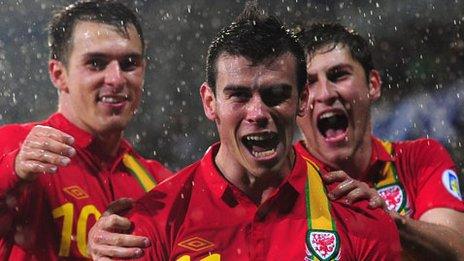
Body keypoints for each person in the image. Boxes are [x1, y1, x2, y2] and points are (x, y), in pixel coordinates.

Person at [92, 6, 401, 260]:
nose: (258, 114)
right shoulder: (152, 222)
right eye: (239, 95)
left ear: (302, 100)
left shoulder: (360, 219)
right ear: (209, 102)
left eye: (276, 94)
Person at [0, 1, 172, 259]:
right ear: (59, 74)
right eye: (96, 63)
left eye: (128, 63)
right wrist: (12, 170)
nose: (116, 79)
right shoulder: (14, 147)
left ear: (143, 71)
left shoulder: (159, 183)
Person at [295, 22, 464, 259]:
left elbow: (456, 250)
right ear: (296, 102)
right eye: (309, 83)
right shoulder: (278, 182)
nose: (325, 93)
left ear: (372, 85)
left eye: (338, 75)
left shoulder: (421, 159)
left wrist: (387, 221)